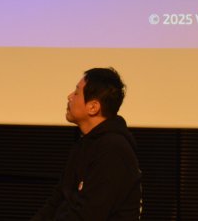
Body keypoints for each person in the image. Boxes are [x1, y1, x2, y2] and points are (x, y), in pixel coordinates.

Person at [31, 66, 142, 220]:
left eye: (76, 93)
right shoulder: (85, 144)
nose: (69, 96)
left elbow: (89, 214)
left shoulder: (113, 150)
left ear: (93, 107)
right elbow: (56, 201)